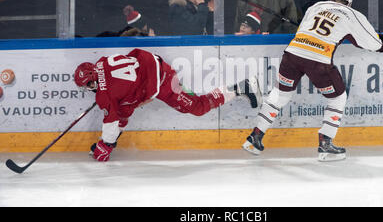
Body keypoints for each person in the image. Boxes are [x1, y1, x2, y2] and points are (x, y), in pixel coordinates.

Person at [242, 0, 383, 161]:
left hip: (293, 54)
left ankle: (255, 138)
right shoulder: (351, 14)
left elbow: (303, 29)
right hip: (318, 61)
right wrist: (382, 44)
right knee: (337, 97)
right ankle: (325, 144)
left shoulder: (316, 6)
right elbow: (371, 42)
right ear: (349, 2)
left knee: (280, 94)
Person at [74, 48, 261, 162]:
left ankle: (241, 88)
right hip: (158, 67)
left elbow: (112, 119)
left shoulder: (104, 96)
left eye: (88, 85)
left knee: (197, 107)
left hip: (164, 82)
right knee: (194, 104)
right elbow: (122, 110)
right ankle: (240, 88)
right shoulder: (102, 63)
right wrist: (111, 141)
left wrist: (106, 144)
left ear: (92, 81)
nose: (89, 89)